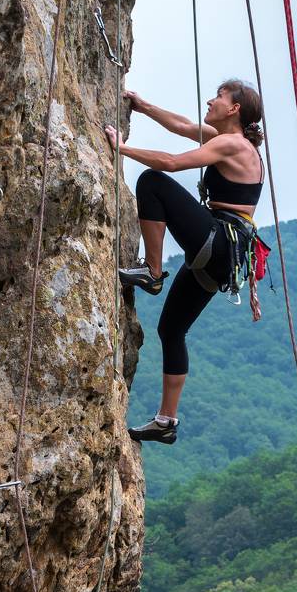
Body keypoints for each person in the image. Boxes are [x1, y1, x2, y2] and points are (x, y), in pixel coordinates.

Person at [104, 79, 266, 444]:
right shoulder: (226, 139)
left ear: (235, 109)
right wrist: (144, 107)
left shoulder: (231, 144)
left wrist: (122, 149)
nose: (210, 100)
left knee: (153, 182)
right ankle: (166, 421)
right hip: (223, 256)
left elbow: (171, 163)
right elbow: (181, 125)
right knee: (171, 330)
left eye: (220, 97)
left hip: (220, 242)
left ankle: (153, 271)